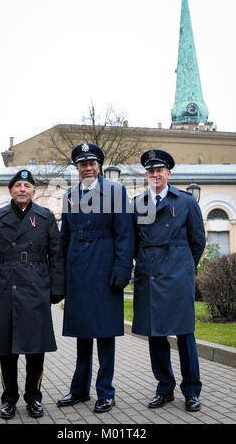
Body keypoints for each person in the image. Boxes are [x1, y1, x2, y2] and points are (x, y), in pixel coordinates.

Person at [0, 169, 65, 420]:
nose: (22, 189)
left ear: (33, 191)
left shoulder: (45, 216)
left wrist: (57, 288)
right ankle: (9, 399)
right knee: (7, 351)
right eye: (17, 185)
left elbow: (56, 256)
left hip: (35, 288)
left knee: (36, 350)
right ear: (10, 191)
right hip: (7, 287)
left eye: (27, 185)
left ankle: (34, 398)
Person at [57, 143, 134, 413]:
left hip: (105, 272)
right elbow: (64, 237)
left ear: (99, 166)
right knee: (82, 336)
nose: (87, 168)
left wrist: (122, 270)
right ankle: (79, 390)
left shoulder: (116, 191)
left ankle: (106, 391)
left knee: (105, 337)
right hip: (78, 274)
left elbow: (125, 235)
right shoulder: (69, 195)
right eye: (82, 164)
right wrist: (61, 276)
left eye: (91, 163)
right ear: (77, 169)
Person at [132, 149, 206, 412]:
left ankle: (191, 391)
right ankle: (164, 388)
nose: (155, 175)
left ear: (168, 174)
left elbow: (198, 241)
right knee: (156, 336)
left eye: (159, 170)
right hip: (149, 277)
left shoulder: (185, 202)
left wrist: (185, 267)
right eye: (150, 171)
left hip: (177, 277)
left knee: (185, 336)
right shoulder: (137, 204)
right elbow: (133, 243)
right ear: (146, 175)